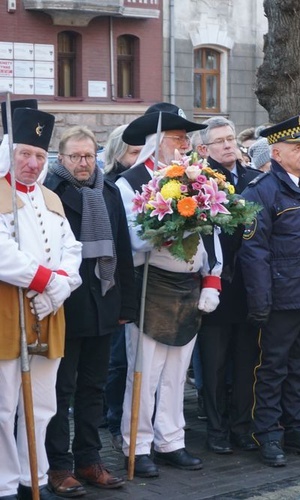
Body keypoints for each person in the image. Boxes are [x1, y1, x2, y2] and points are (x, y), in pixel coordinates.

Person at [116, 102, 221, 477]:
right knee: (144, 371)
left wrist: (212, 280)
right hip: (150, 284)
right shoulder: (129, 183)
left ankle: (170, 439)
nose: (185, 144)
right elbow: (133, 240)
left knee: (177, 371)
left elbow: (213, 236)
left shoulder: (199, 178)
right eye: (178, 137)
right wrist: (174, 221)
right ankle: (137, 444)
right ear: (157, 141)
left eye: (187, 138)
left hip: (188, 286)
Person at [43, 125, 136, 496]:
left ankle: (89, 458)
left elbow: (123, 250)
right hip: (66, 304)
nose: (83, 163)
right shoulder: (51, 192)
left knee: (93, 387)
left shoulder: (108, 190)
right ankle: (58, 465)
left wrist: (126, 303)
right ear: (61, 158)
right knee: (60, 389)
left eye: (89, 155)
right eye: (75, 156)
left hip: (105, 300)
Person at [238, 115, 300, 467]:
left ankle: (298, 428)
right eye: (297, 147)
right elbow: (254, 252)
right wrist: (261, 302)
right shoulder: (261, 191)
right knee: (272, 368)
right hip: (281, 299)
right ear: (276, 153)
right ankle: (267, 432)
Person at [0, 104, 82, 500]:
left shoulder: (51, 198)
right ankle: (4, 482)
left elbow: (73, 250)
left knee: (43, 403)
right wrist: (47, 282)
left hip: (50, 312)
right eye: (24, 154)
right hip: (6, 310)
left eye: (38, 156)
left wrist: (60, 288)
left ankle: (35, 476)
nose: (32, 163)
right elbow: (2, 254)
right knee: (3, 404)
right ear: (8, 153)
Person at [193, 117, 261, 455]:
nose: (227, 145)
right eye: (219, 141)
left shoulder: (254, 179)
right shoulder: (196, 182)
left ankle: (241, 427)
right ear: (205, 148)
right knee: (215, 364)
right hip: (214, 288)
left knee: (246, 362)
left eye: (231, 138)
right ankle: (217, 430)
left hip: (249, 288)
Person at [100, 124, 143, 454]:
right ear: (117, 154)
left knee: (129, 360)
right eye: (132, 152)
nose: (138, 157)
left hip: (133, 281)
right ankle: (115, 419)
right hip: (111, 281)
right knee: (117, 360)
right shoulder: (112, 185)